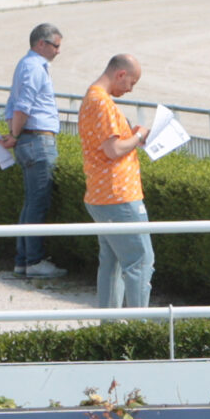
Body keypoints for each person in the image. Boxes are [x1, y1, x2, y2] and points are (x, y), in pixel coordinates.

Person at [80, 54, 152, 308]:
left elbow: (109, 145)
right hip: (119, 194)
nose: (130, 89)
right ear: (120, 74)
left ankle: (110, 330)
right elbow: (113, 150)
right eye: (131, 82)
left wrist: (129, 138)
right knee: (141, 261)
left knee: (112, 263)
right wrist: (140, 136)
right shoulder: (103, 103)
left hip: (101, 194)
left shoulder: (92, 98)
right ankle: (137, 330)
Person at [0, 22, 66, 278]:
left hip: (28, 139)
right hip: (37, 140)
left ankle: (23, 260)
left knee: (30, 203)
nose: (59, 51)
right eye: (56, 46)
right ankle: (33, 261)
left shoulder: (25, 65)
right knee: (37, 203)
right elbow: (22, 106)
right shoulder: (35, 67)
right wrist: (15, 135)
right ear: (42, 44)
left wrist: (15, 134)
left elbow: (13, 105)